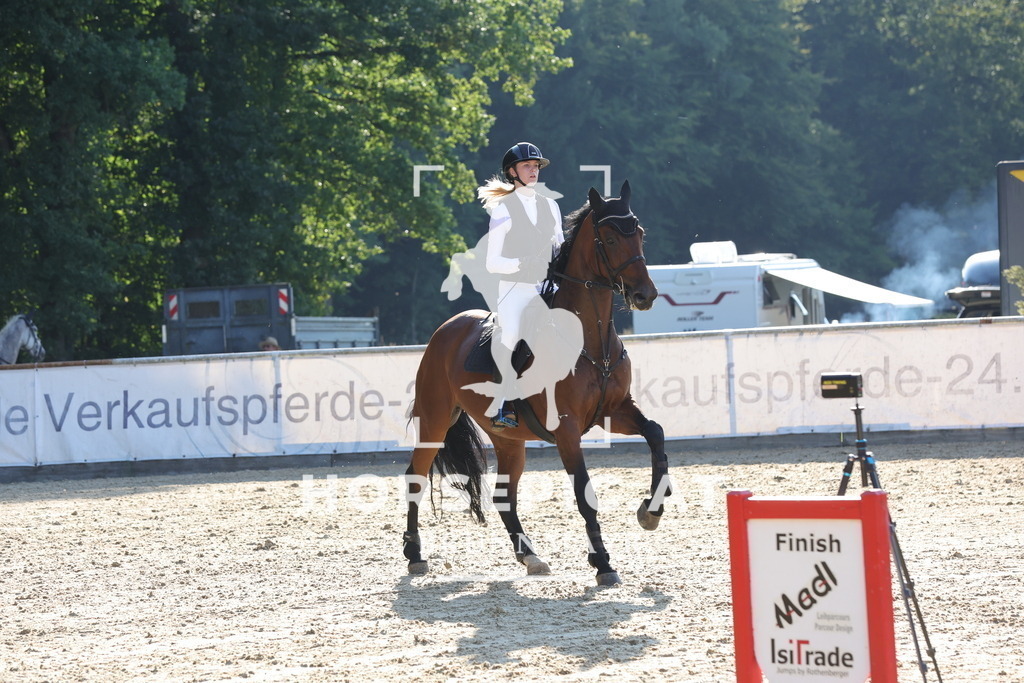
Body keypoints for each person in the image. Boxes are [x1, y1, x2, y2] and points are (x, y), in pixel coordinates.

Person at [475, 142, 565, 429]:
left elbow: (560, 247)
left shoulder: (551, 205)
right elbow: (492, 263)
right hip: (515, 289)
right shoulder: (503, 209)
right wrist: (521, 263)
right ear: (512, 172)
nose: (533, 170)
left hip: (547, 288)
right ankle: (501, 404)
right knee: (512, 333)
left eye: (536, 166)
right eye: (527, 166)